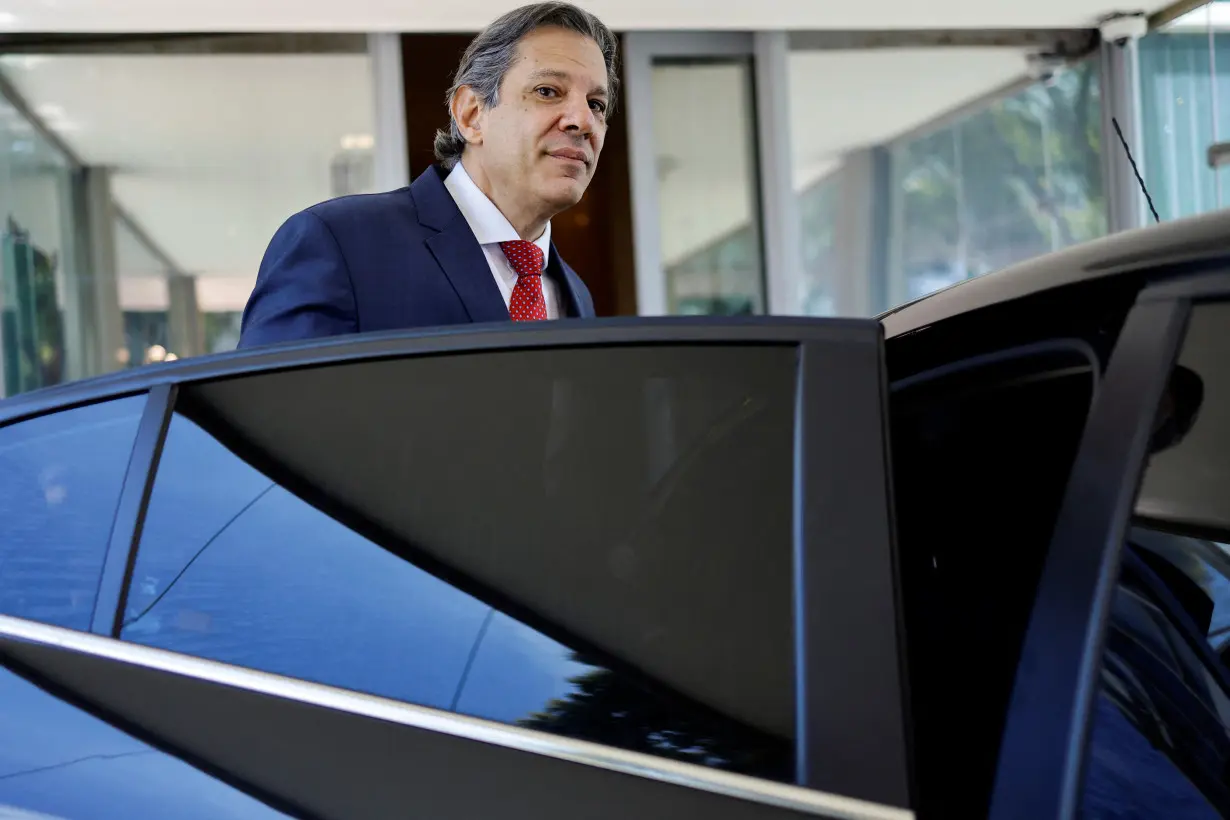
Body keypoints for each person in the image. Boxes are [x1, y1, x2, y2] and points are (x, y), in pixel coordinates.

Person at [237, 2, 617, 349]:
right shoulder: (338, 244)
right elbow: (269, 417)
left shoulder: (575, 294)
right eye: (548, 91)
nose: (583, 121)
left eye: (596, 104)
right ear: (471, 114)